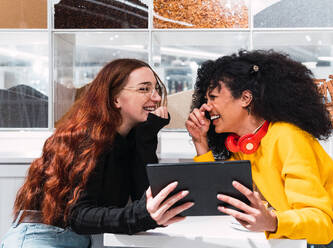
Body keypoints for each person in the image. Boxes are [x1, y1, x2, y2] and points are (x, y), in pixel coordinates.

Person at [186, 50, 333, 248]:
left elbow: (324, 225)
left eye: (213, 97)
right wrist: (200, 141)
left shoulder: (287, 136)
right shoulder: (241, 144)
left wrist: (273, 221)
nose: (205, 107)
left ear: (245, 98)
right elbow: (220, 197)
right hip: (296, 232)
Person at [1, 58, 193, 248]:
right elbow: (78, 215)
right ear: (115, 98)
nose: (156, 97)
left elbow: (142, 198)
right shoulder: (87, 138)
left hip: (84, 240)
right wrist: (143, 216)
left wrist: (147, 137)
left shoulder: (130, 139)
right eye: (144, 89)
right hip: (42, 237)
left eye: (156, 89)